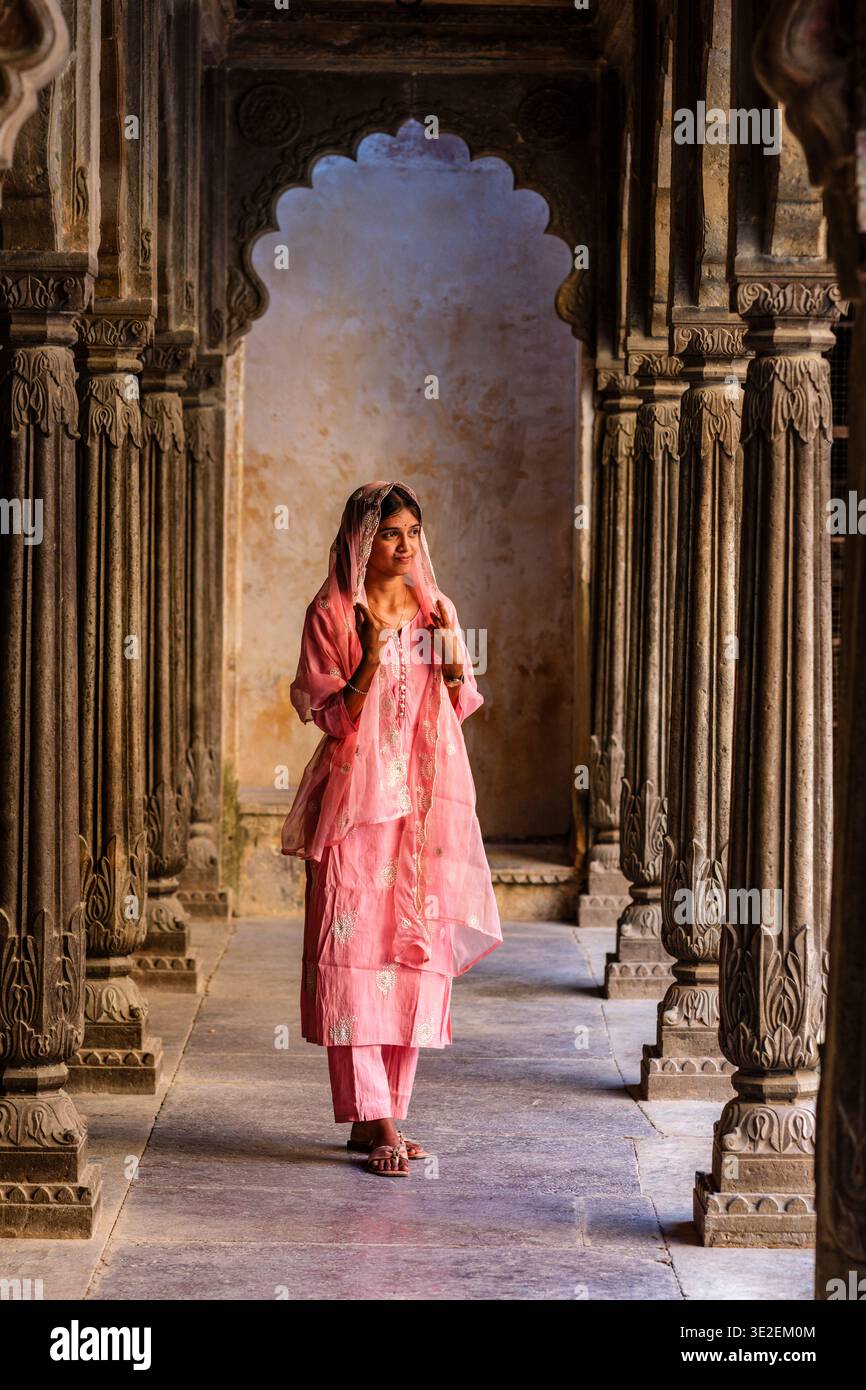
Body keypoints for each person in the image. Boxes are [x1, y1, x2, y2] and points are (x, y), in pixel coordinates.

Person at [281, 480, 502, 1176]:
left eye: (412, 532)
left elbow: (460, 698)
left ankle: (381, 1116)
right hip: (356, 805)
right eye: (390, 534)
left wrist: (450, 651)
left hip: (423, 802)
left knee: (409, 954)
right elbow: (329, 716)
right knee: (352, 955)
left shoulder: (436, 606)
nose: (405, 546)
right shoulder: (332, 613)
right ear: (360, 538)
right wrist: (372, 653)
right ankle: (378, 1121)